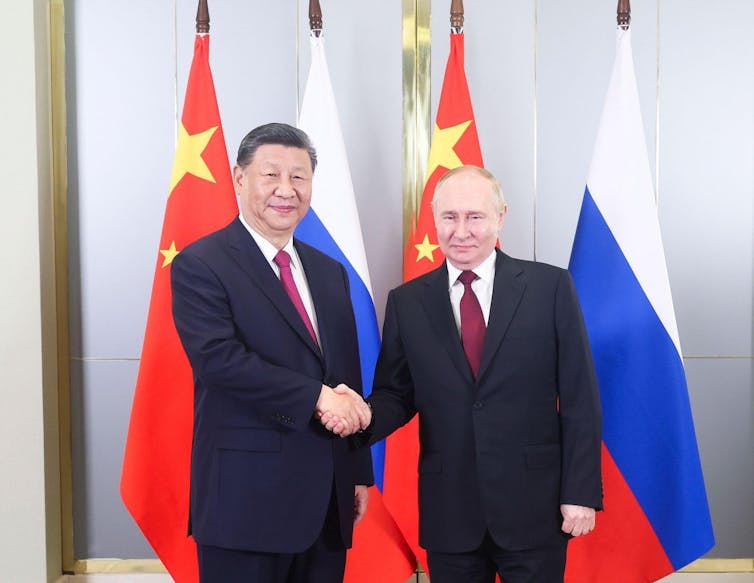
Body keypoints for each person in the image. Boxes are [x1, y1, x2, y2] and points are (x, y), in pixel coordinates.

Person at [323, 165, 602, 582]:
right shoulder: (407, 303)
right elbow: (396, 395)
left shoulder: (550, 289)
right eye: (449, 217)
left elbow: (580, 398)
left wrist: (579, 492)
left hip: (534, 508)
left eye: (475, 217)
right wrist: (356, 417)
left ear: (500, 217)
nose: (461, 230)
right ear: (435, 220)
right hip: (449, 511)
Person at [171, 122, 373, 583]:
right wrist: (318, 398)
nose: (286, 190)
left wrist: (355, 469)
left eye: (299, 177)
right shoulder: (202, 265)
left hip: (327, 501)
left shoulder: (329, 272)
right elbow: (220, 361)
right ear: (240, 179)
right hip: (244, 504)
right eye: (271, 175)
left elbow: (346, 376)